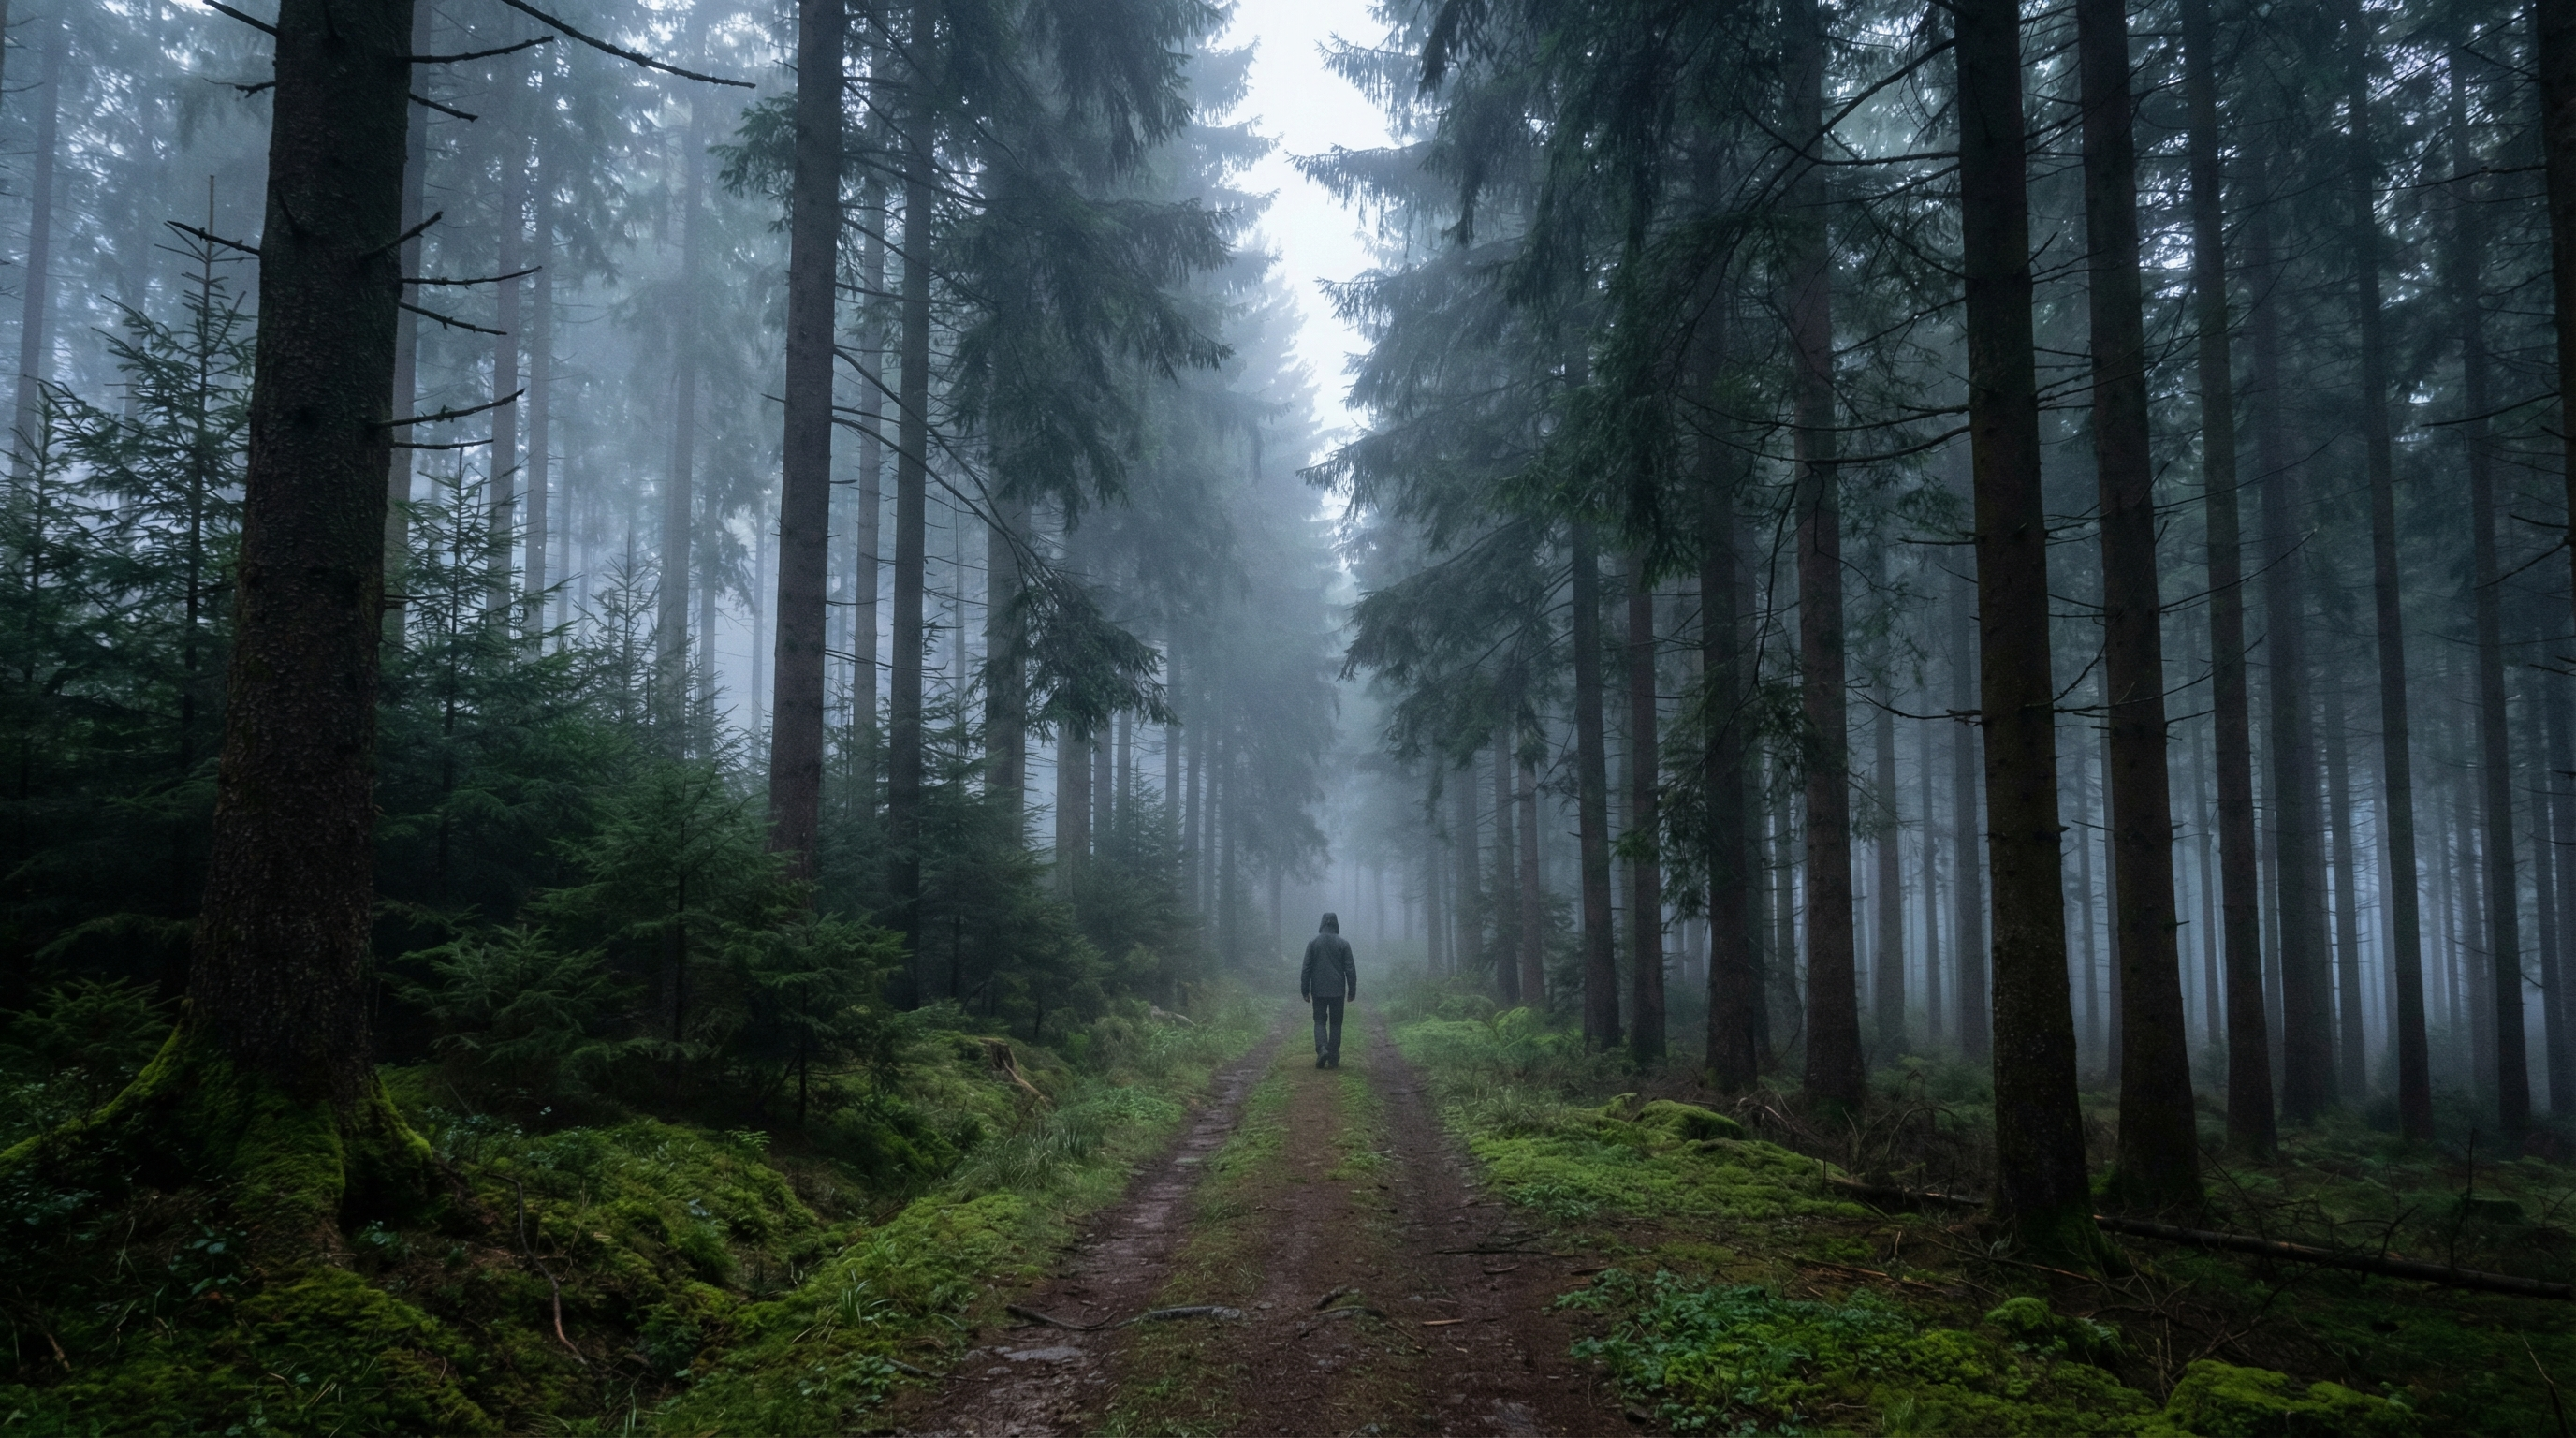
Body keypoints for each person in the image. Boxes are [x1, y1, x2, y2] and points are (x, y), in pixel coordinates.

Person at [1300, 912, 1357, 1068]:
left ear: (1322, 924)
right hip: (1337, 991)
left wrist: (1305, 991)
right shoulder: (1343, 944)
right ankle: (1333, 1056)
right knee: (1336, 1023)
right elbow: (1350, 969)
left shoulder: (1313, 943)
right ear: (1336, 924)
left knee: (1319, 1021)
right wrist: (1352, 990)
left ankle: (1322, 1049)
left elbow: (1306, 968)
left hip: (1318, 990)